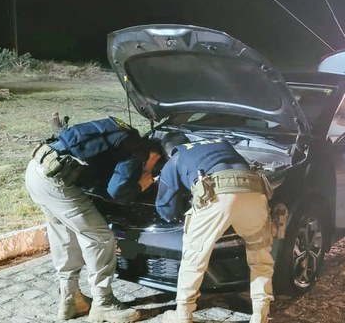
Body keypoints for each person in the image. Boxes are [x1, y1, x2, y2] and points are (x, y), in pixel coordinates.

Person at [24, 116, 161, 322]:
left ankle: (71, 301)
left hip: (37, 170)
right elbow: (116, 191)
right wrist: (142, 183)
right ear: (155, 155)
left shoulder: (121, 135)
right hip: (58, 181)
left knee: (64, 235)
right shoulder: (138, 152)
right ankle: (104, 304)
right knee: (100, 238)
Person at [156, 133, 275, 323]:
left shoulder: (177, 157)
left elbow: (166, 208)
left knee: (194, 258)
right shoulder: (221, 144)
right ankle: (260, 315)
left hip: (218, 194)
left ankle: (182, 315)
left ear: (168, 152)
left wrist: (177, 215)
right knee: (260, 258)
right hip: (254, 192)